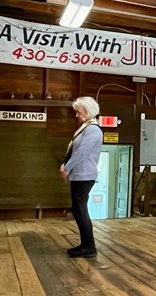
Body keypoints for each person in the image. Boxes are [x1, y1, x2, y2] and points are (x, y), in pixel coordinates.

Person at [60, 96, 102, 258]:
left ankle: (89, 247)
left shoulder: (92, 129)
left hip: (84, 175)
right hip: (80, 175)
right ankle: (86, 245)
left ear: (88, 111)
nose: (76, 115)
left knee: (80, 210)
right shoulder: (87, 128)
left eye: (79, 111)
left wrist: (66, 167)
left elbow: (81, 152)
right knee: (79, 210)